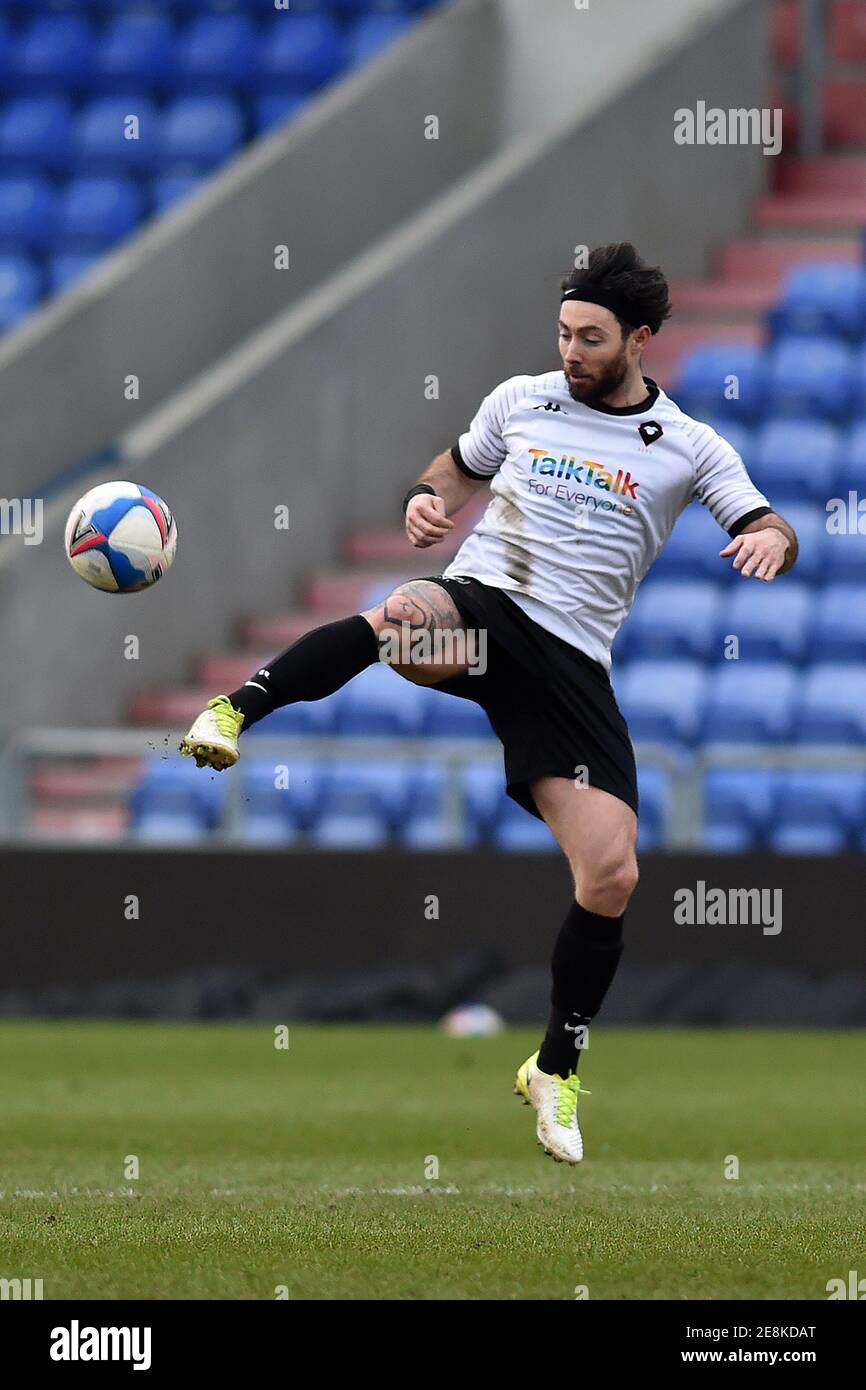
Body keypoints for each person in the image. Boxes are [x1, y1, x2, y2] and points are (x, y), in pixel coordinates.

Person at [181, 243, 797, 1164]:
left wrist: (772, 543)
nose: (571, 351)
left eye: (591, 337)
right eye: (563, 333)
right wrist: (429, 499)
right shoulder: (523, 398)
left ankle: (555, 1066)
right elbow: (455, 470)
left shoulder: (688, 447)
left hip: (570, 664)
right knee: (404, 614)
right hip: (484, 607)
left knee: (612, 873)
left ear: (641, 339)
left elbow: (762, 518)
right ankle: (232, 711)